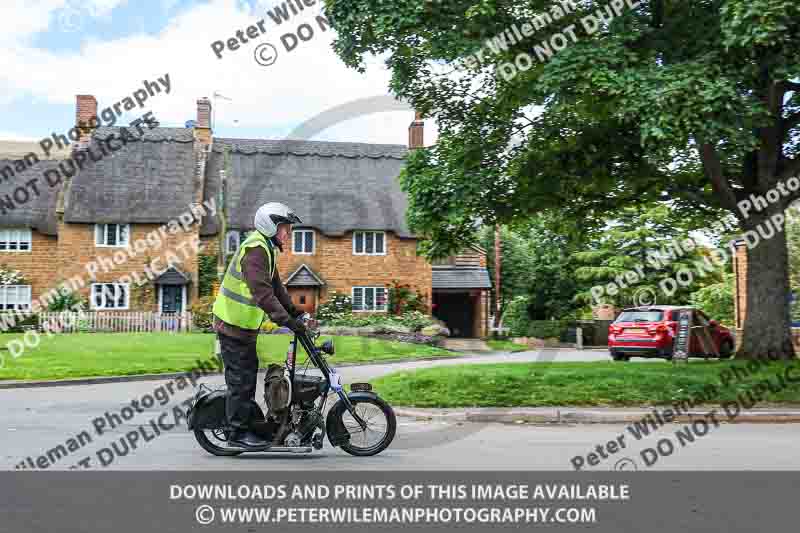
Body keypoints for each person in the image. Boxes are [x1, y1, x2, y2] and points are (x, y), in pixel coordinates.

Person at [211, 202, 308, 450]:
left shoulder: (266, 249)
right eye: (285, 228)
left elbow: (277, 288)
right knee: (240, 381)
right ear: (270, 226)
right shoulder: (255, 251)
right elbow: (263, 296)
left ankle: (248, 425)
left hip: (243, 328)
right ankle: (237, 434)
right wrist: (288, 322)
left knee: (247, 376)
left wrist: (296, 313)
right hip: (232, 325)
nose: (288, 234)